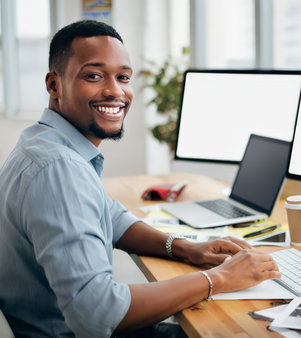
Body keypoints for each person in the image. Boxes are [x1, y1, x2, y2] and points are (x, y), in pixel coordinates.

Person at [0, 20, 280, 338]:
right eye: (93, 76)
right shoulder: (59, 168)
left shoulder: (44, 143)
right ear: (54, 85)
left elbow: (110, 216)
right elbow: (99, 313)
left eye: (123, 77)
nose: (115, 91)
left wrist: (186, 248)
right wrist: (220, 279)